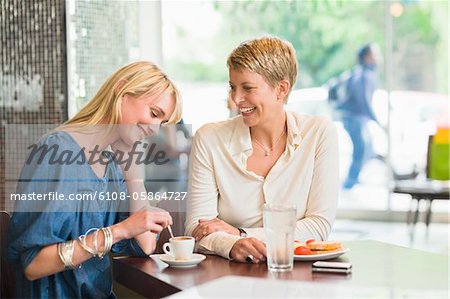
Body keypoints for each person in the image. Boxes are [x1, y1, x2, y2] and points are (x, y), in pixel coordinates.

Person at [7, 61, 182, 298]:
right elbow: (34, 265)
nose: (154, 129)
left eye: (162, 122)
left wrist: (134, 178)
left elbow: (145, 245)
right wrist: (120, 230)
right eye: (153, 113)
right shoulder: (55, 152)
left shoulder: (112, 165)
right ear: (121, 90)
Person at [185, 36, 339, 263]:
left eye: (247, 88)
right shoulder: (209, 139)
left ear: (281, 89)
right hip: (227, 276)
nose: (236, 99)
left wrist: (240, 235)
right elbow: (197, 227)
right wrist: (232, 245)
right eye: (232, 87)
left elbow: (318, 226)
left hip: (298, 275)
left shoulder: (318, 133)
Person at [335, 43, 381, 189]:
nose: (378, 57)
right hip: (355, 118)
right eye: (375, 54)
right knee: (361, 150)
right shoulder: (365, 75)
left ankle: (352, 181)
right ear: (367, 57)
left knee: (366, 148)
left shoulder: (357, 72)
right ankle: (349, 183)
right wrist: (377, 120)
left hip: (351, 117)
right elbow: (364, 101)